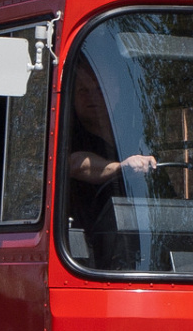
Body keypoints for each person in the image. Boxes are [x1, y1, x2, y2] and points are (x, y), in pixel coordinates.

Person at [64, 59, 154, 263]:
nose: (91, 96)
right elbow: (76, 165)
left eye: (98, 88)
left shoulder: (137, 138)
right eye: (82, 90)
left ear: (115, 92)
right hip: (84, 253)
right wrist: (121, 168)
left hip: (142, 247)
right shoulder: (67, 132)